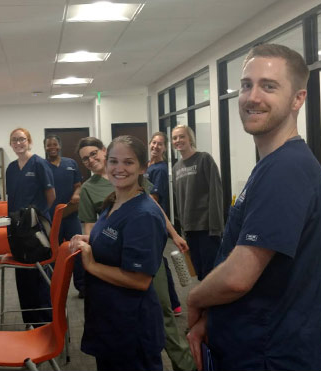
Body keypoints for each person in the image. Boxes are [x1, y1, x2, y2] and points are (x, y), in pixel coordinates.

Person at [186, 44, 321, 371]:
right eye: (246, 85)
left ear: (298, 99)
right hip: (254, 343)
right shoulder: (273, 164)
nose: (252, 96)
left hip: (269, 355)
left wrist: (195, 299)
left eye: (269, 86)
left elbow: (238, 277)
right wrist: (215, 315)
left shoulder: (286, 169)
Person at [77, 136, 195, 371]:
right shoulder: (113, 202)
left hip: (131, 325)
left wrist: (91, 265)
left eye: (128, 162)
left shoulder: (143, 214)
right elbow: (114, 237)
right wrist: (91, 240)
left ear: (143, 167)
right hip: (109, 320)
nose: (118, 168)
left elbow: (139, 280)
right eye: (114, 161)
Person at [6, 127, 55, 325]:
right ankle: (30, 322)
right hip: (18, 229)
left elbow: (51, 196)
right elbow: (11, 198)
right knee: (23, 275)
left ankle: (46, 322)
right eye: (14, 140)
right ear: (10, 144)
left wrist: (37, 216)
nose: (18, 143)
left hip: (37, 229)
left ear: (29, 141)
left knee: (40, 274)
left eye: (22, 139)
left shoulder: (39, 164)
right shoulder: (10, 168)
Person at [172, 124, 223, 280]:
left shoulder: (204, 159)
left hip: (207, 227)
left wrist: (216, 227)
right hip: (189, 229)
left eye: (182, 136)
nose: (178, 140)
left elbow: (216, 193)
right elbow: (179, 198)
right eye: (174, 138)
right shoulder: (176, 168)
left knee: (212, 274)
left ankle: (216, 304)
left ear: (190, 139)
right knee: (199, 273)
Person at [146, 132, 182, 315]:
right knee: (159, 261)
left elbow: (153, 199)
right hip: (149, 219)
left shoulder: (159, 169)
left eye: (160, 144)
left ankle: (174, 303)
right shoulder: (148, 166)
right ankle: (171, 302)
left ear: (165, 148)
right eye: (154, 143)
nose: (156, 146)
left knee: (160, 262)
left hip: (154, 220)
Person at [43, 134, 84, 297]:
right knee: (53, 253)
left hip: (71, 215)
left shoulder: (71, 164)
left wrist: (76, 193)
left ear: (59, 146)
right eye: (49, 145)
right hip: (51, 218)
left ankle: (82, 286)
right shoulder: (42, 165)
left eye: (55, 144)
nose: (52, 147)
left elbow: (79, 185)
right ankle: (53, 286)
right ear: (45, 147)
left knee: (77, 250)